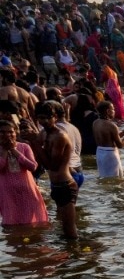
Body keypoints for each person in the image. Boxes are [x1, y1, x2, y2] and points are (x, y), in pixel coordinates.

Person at [35, 101, 78, 239]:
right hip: (55, 185)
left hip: (66, 185)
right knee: (62, 228)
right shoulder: (42, 134)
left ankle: (76, 257)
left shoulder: (60, 136)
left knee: (70, 231)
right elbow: (39, 160)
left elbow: (52, 165)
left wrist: (34, 144)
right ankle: (66, 256)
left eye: (49, 117)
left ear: (55, 117)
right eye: (41, 118)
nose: (45, 121)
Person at [0, 118, 49, 228]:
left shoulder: (24, 146)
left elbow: (33, 166)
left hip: (27, 190)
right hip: (8, 194)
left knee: (33, 224)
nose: (7, 135)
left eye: (10, 132)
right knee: (11, 225)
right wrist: (4, 152)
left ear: (15, 132)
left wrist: (14, 151)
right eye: (2, 132)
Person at [91, 100, 124, 179]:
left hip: (100, 152)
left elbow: (109, 137)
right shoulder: (111, 125)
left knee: (105, 178)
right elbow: (120, 145)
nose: (114, 111)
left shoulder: (96, 122)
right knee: (115, 180)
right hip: (110, 155)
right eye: (113, 109)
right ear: (108, 111)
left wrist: (123, 133)